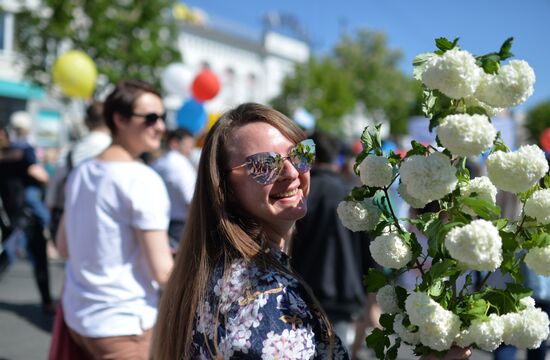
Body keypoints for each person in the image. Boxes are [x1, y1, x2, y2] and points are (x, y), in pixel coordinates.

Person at [154, 102, 355, 359]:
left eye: (300, 154)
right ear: (226, 189)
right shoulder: (265, 298)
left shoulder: (230, 271)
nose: (292, 172)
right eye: (263, 166)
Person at [55, 79, 174, 359]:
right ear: (119, 119)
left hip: (78, 318)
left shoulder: (81, 172)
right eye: (151, 118)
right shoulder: (142, 179)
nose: (161, 126)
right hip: (124, 327)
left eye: (163, 117)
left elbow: (63, 247)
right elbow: (163, 273)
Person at [291, 131, 377, 355]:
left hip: (302, 291)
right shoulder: (352, 194)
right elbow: (371, 251)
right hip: (344, 293)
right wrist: (372, 299)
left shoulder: (299, 195)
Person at [0, 114, 53, 314]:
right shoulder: (23, 154)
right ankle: (47, 303)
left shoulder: (9, 155)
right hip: (26, 216)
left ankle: (47, 302)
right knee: (23, 257)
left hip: (10, 215)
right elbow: (41, 175)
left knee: (8, 255)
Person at [46, 101, 111, 240]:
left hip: (73, 215)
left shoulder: (71, 150)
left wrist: (51, 209)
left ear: (86, 122)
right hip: (107, 219)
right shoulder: (117, 151)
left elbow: (55, 183)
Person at [152, 128, 197, 250]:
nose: (190, 150)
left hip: (164, 222)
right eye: (188, 146)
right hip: (179, 225)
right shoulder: (179, 164)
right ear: (174, 143)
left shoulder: (157, 163)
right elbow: (191, 198)